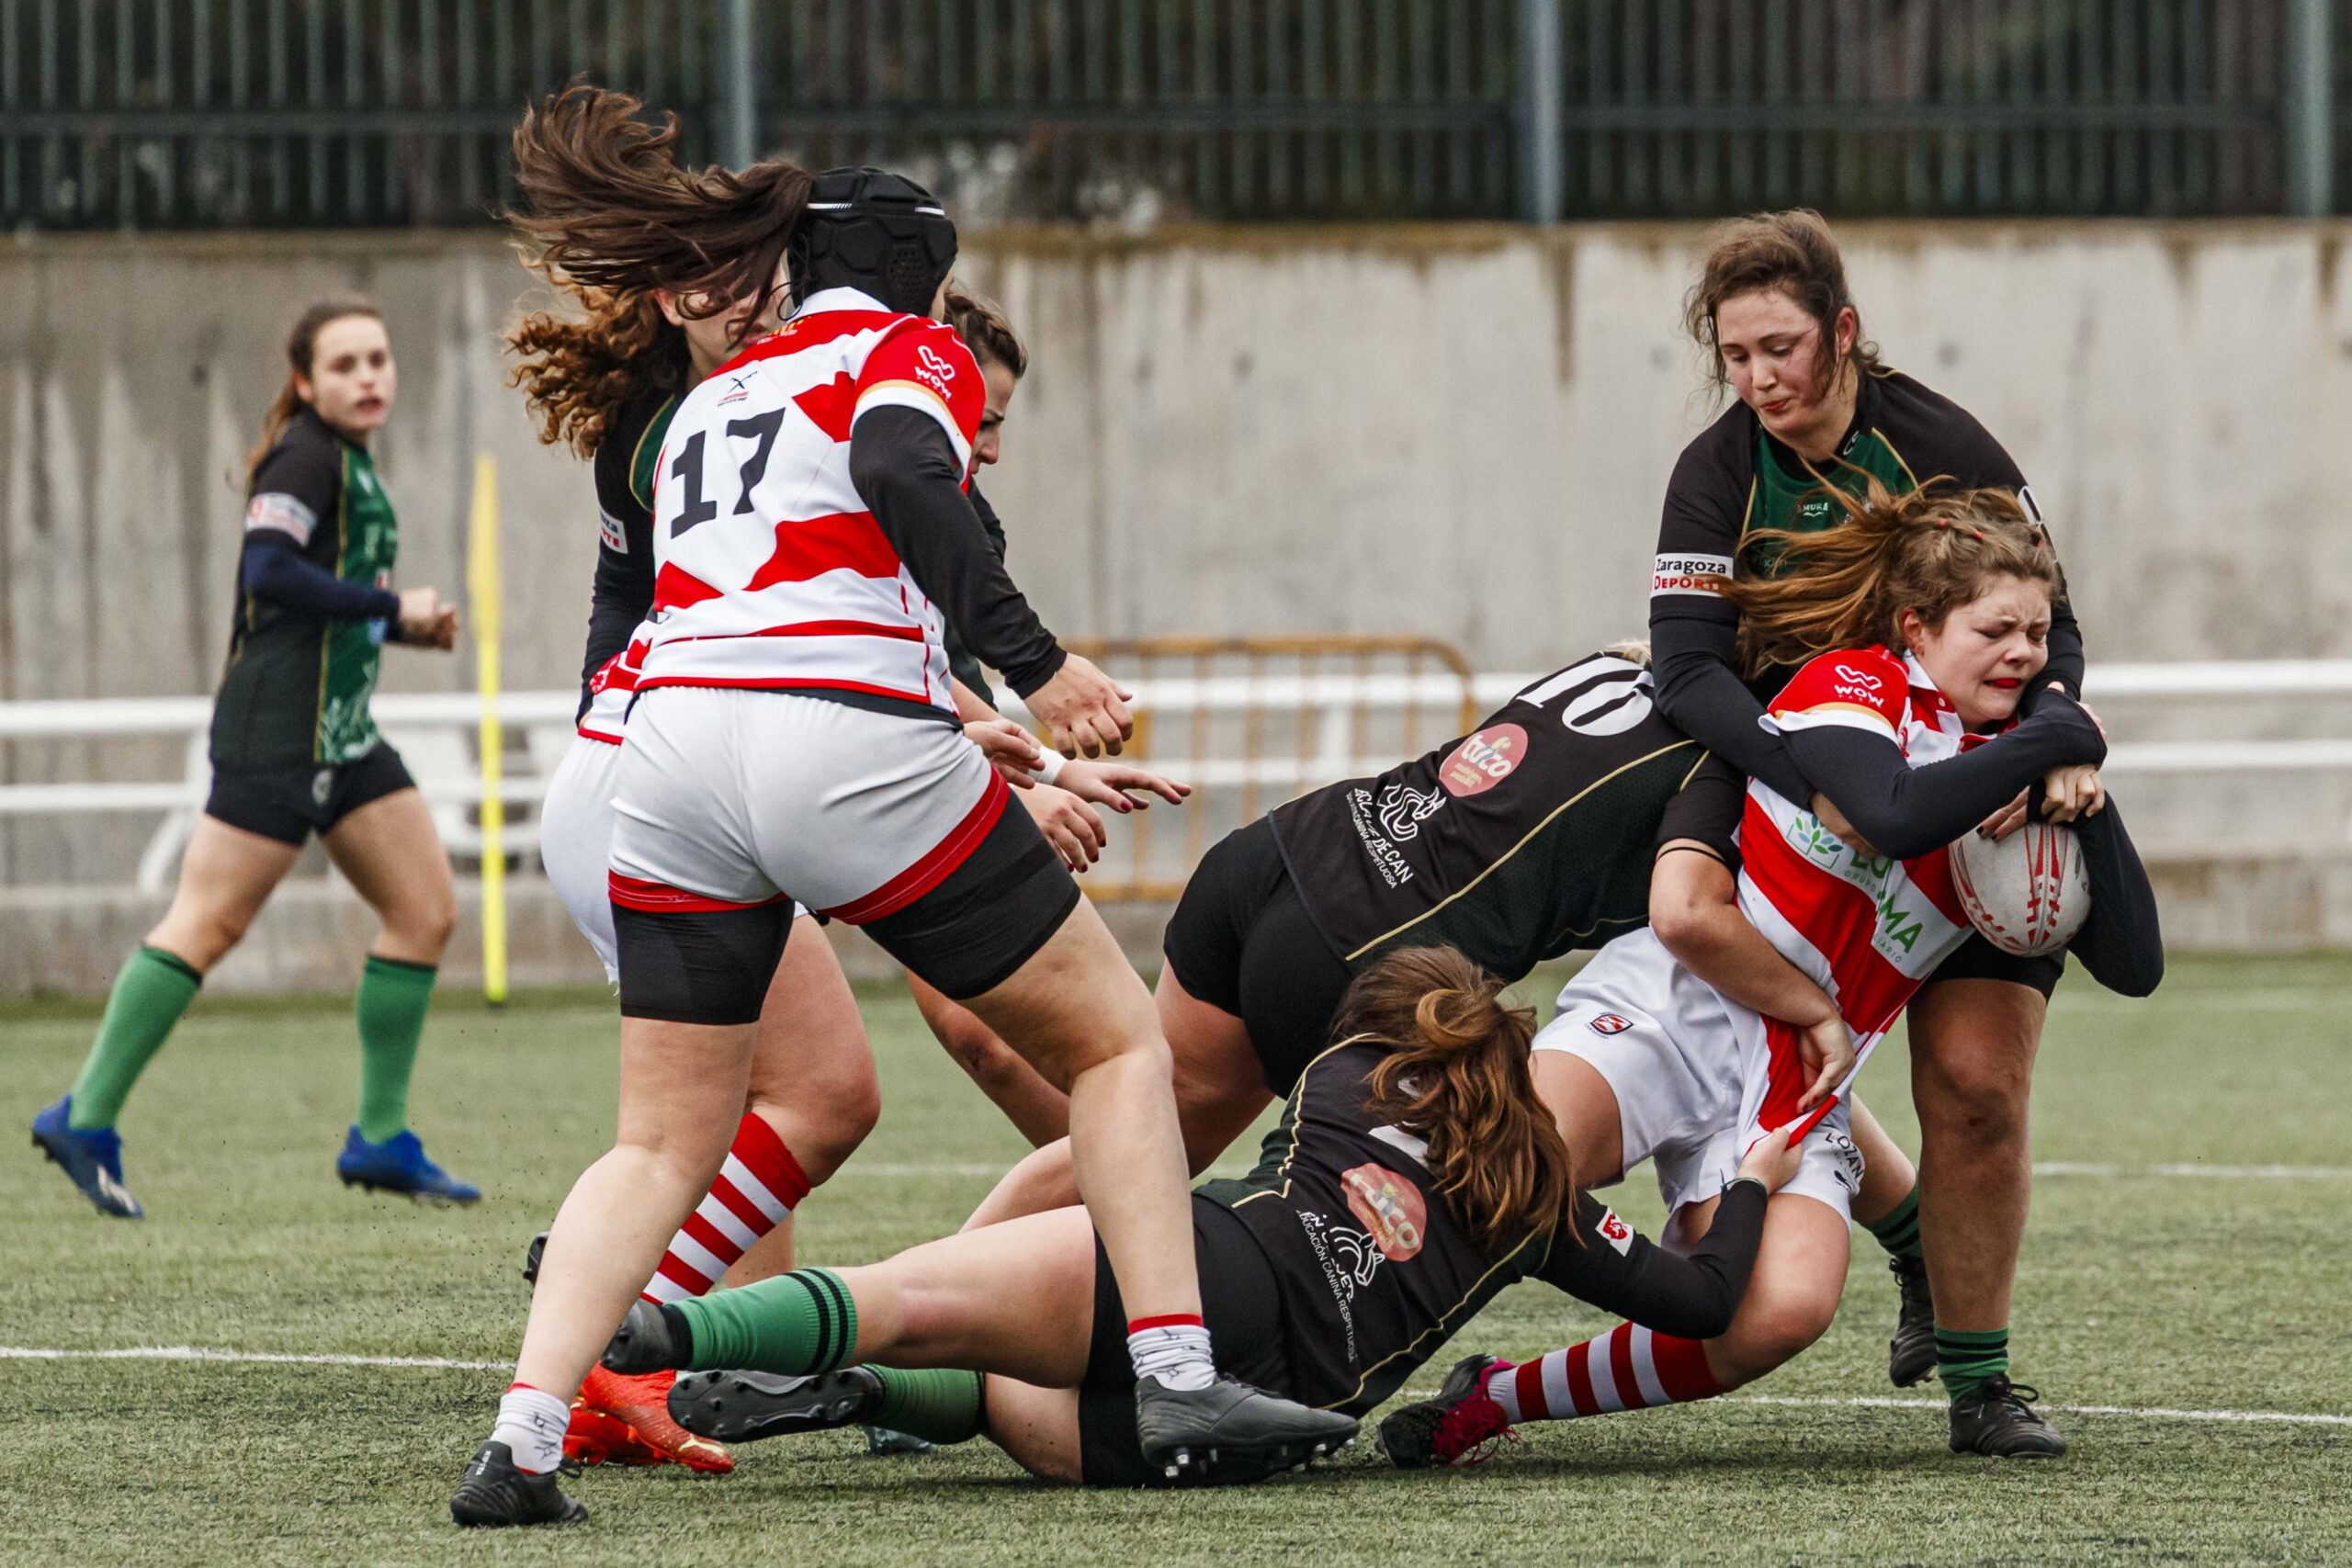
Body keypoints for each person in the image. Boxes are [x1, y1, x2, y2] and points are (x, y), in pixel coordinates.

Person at [451, 87, 1348, 1529]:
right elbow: (897, 477)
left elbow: (772, 587)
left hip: (668, 756)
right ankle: (1178, 1372)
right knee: (1119, 1040)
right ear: (927, 274)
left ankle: (521, 1441)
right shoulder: (905, 347)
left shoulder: (704, 403)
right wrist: (1046, 673)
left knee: (660, 1139)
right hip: (834, 748)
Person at [1380, 481, 2161, 1467]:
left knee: (1779, 1313)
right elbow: (1891, 814)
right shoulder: (1852, 687)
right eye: (1994, 629)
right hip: (1674, 1009)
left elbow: (2134, 966)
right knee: (1493, 1182)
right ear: (1916, 629)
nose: (2023, 654)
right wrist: (2057, 735)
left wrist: (2088, 796)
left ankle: (1493, 1397)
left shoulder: (2019, 774)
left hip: (1799, 1085)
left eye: (2039, 634)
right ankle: (1278, 1365)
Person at [604, 946, 1803, 1489]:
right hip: (1269, 1424)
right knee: (1013, 1395)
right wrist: (1753, 1174)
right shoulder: (1541, 1200)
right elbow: (1706, 1300)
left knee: (929, 1297)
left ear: (1395, 1033)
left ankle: (677, 1331)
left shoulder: (1345, 1071)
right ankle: (875, 1392)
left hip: (1217, 1274)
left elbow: (1154, 1118)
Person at [958, 646, 1923, 1262]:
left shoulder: (1628, 660)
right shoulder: (1735, 762)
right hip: (1364, 956)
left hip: (1285, 850)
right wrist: (1816, 1003)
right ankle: (1114, 1356)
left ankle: (929, 1303)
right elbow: (1692, 919)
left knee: (1137, 1141)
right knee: (1392, 1232)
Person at [1647, 209, 2096, 1429]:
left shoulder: (1946, 445)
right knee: (1731, 978)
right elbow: (1684, 674)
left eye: (1780, 348)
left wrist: (2055, 736)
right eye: (1735, 357)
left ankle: (1979, 1379)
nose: (1758, 380)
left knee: (1976, 1082)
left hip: (1960, 783)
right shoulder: (1718, 469)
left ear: (1842, 332)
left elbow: (2053, 629)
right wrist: (1809, 780)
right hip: (1786, 765)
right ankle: (1879, 1225)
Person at [32, 299, 471, 1219]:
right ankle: (85, 1116)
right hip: (278, 734)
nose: (368, 376)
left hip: (341, 735)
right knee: (208, 924)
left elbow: (311, 602)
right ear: (305, 382)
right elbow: (267, 569)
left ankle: (381, 1138)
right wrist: (393, 611)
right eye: (344, 364)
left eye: (379, 359)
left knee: (424, 909)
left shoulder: (348, 461)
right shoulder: (306, 456)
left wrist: (404, 630)